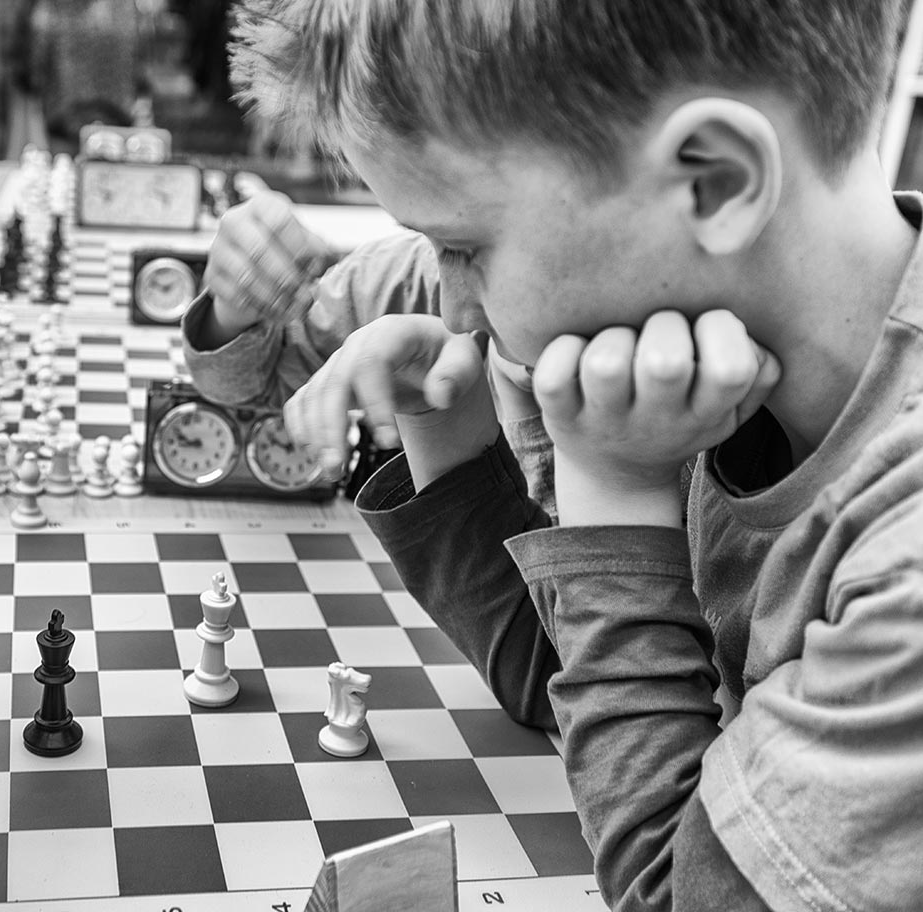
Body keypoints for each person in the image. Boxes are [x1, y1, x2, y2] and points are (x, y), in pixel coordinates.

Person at [232, 2, 923, 911]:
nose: (454, 307)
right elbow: (560, 685)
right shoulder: (684, 338)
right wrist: (450, 425)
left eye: (465, 248)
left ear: (712, 182)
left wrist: (618, 490)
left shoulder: (903, 561)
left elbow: (673, 895)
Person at [183, 189, 440, 415]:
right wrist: (234, 312)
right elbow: (257, 383)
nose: (453, 312)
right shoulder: (396, 276)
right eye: (447, 250)